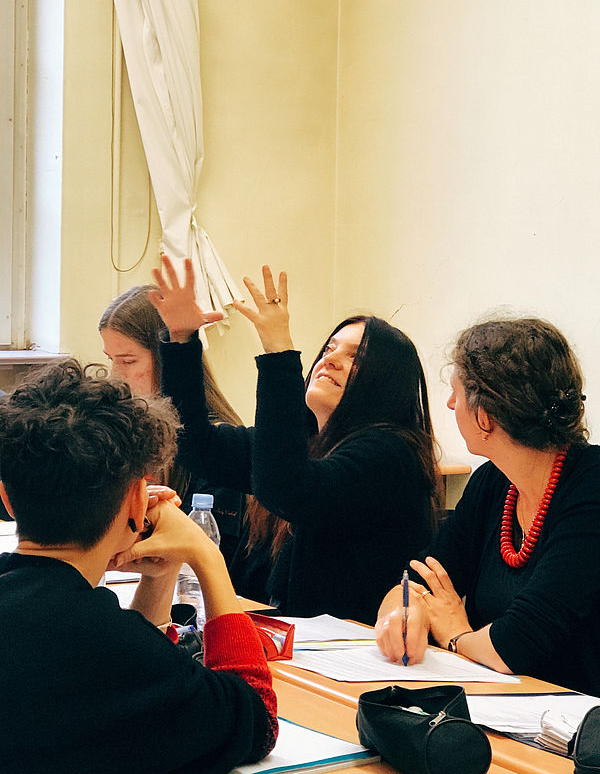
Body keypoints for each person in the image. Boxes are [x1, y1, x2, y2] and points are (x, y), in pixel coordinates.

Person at [0, 359, 277, 774]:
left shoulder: (85, 625)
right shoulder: (110, 643)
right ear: (135, 500)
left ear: (6, 498)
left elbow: (144, 686)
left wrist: (162, 575)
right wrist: (207, 556)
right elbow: (255, 719)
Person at [148, 256, 442, 625]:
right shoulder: (305, 439)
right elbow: (195, 446)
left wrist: (279, 352)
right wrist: (182, 338)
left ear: (384, 384)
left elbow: (286, 488)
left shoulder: (392, 454)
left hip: (361, 656)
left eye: (355, 357)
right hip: (305, 645)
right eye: (330, 348)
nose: (331, 360)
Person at [376, 317, 600, 697]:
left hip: (575, 732)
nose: (450, 403)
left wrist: (455, 636)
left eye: (457, 393)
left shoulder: (590, 486)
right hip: (506, 707)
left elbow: (517, 644)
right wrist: (404, 615)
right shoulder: (494, 482)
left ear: (486, 416)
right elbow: (417, 579)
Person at [99, 284, 245, 565]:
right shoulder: (123, 425)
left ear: (168, 360)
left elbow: (206, 556)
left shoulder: (216, 443)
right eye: (110, 360)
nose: (115, 376)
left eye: (128, 360)